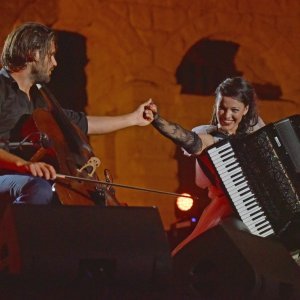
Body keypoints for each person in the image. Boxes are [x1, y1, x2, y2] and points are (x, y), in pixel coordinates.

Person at [0, 22, 153, 205]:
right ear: (33, 53)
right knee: (38, 189)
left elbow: (83, 123)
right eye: (50, 55)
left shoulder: (40, 99)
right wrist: (24, 165)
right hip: (8, 176)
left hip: (27, 177)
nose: (54, 63)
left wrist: (133, 118)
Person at [145, 76, 265, 256]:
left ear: (246, 109)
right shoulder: (210, 138)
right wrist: (156, 119)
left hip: (262, 210)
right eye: (222, 108)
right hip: (227, 212)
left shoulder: (256, 136)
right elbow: (186, 138)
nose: (226, 115)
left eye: (234, 110)